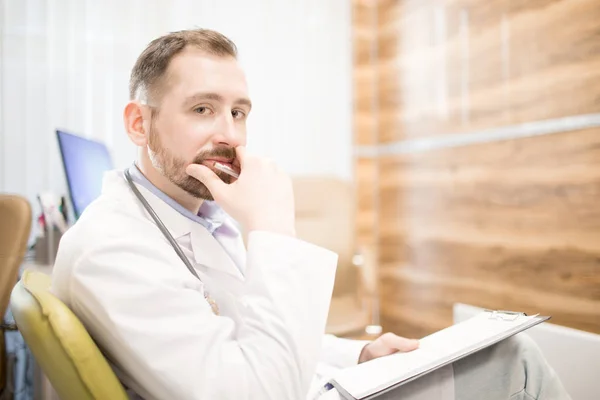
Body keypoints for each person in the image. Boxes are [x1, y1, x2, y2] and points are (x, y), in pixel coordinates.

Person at [50, 28, 570, 400]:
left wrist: (356, 357)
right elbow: (255, 389)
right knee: (513, 363)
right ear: (139, 123)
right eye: (202, 109)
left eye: (239, 112)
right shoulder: (112, 247)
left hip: (311, 381)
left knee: (507, 349)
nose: (229, 134)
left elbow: (249, 330)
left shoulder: (193, 216)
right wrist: (272, 229)